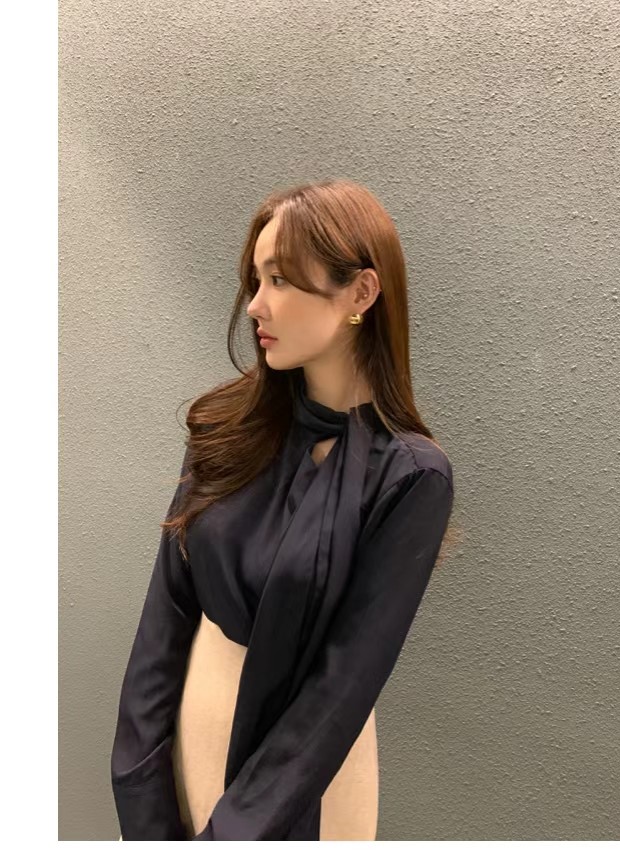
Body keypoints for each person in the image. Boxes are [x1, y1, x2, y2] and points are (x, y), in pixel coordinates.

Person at [110, 179, 458, 840]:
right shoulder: (224, 431)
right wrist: (140, 789)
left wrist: (233, 837)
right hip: (190, 741)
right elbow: (165, 616)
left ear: (361, 294)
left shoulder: (411, 478)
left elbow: (342, 687)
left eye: (280, 280)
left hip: (309, 786)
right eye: (255, 279)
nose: (255, 304)